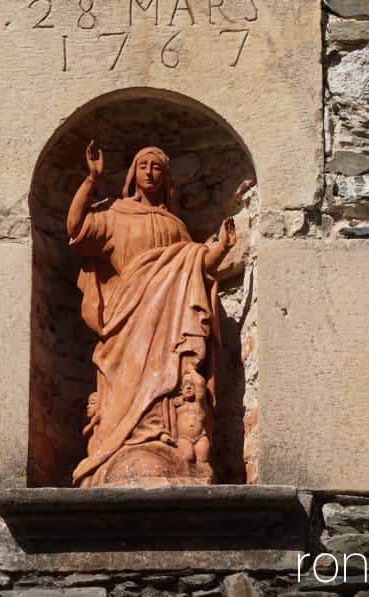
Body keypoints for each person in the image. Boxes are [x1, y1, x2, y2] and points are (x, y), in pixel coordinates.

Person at [67, 139, 235, 487]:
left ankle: (166, 440)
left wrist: (223, 248)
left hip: (169, 324)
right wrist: (91, 180)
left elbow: (197, 267)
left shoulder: (176, 227)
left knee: (168, 378)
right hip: (125, 319)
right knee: (124, 381)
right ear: (133, 174)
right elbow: (76, 229)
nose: (149, 172)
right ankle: (115, 451)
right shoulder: (114, 216)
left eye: (156, 167)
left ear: (165, 176)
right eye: (143, 166)